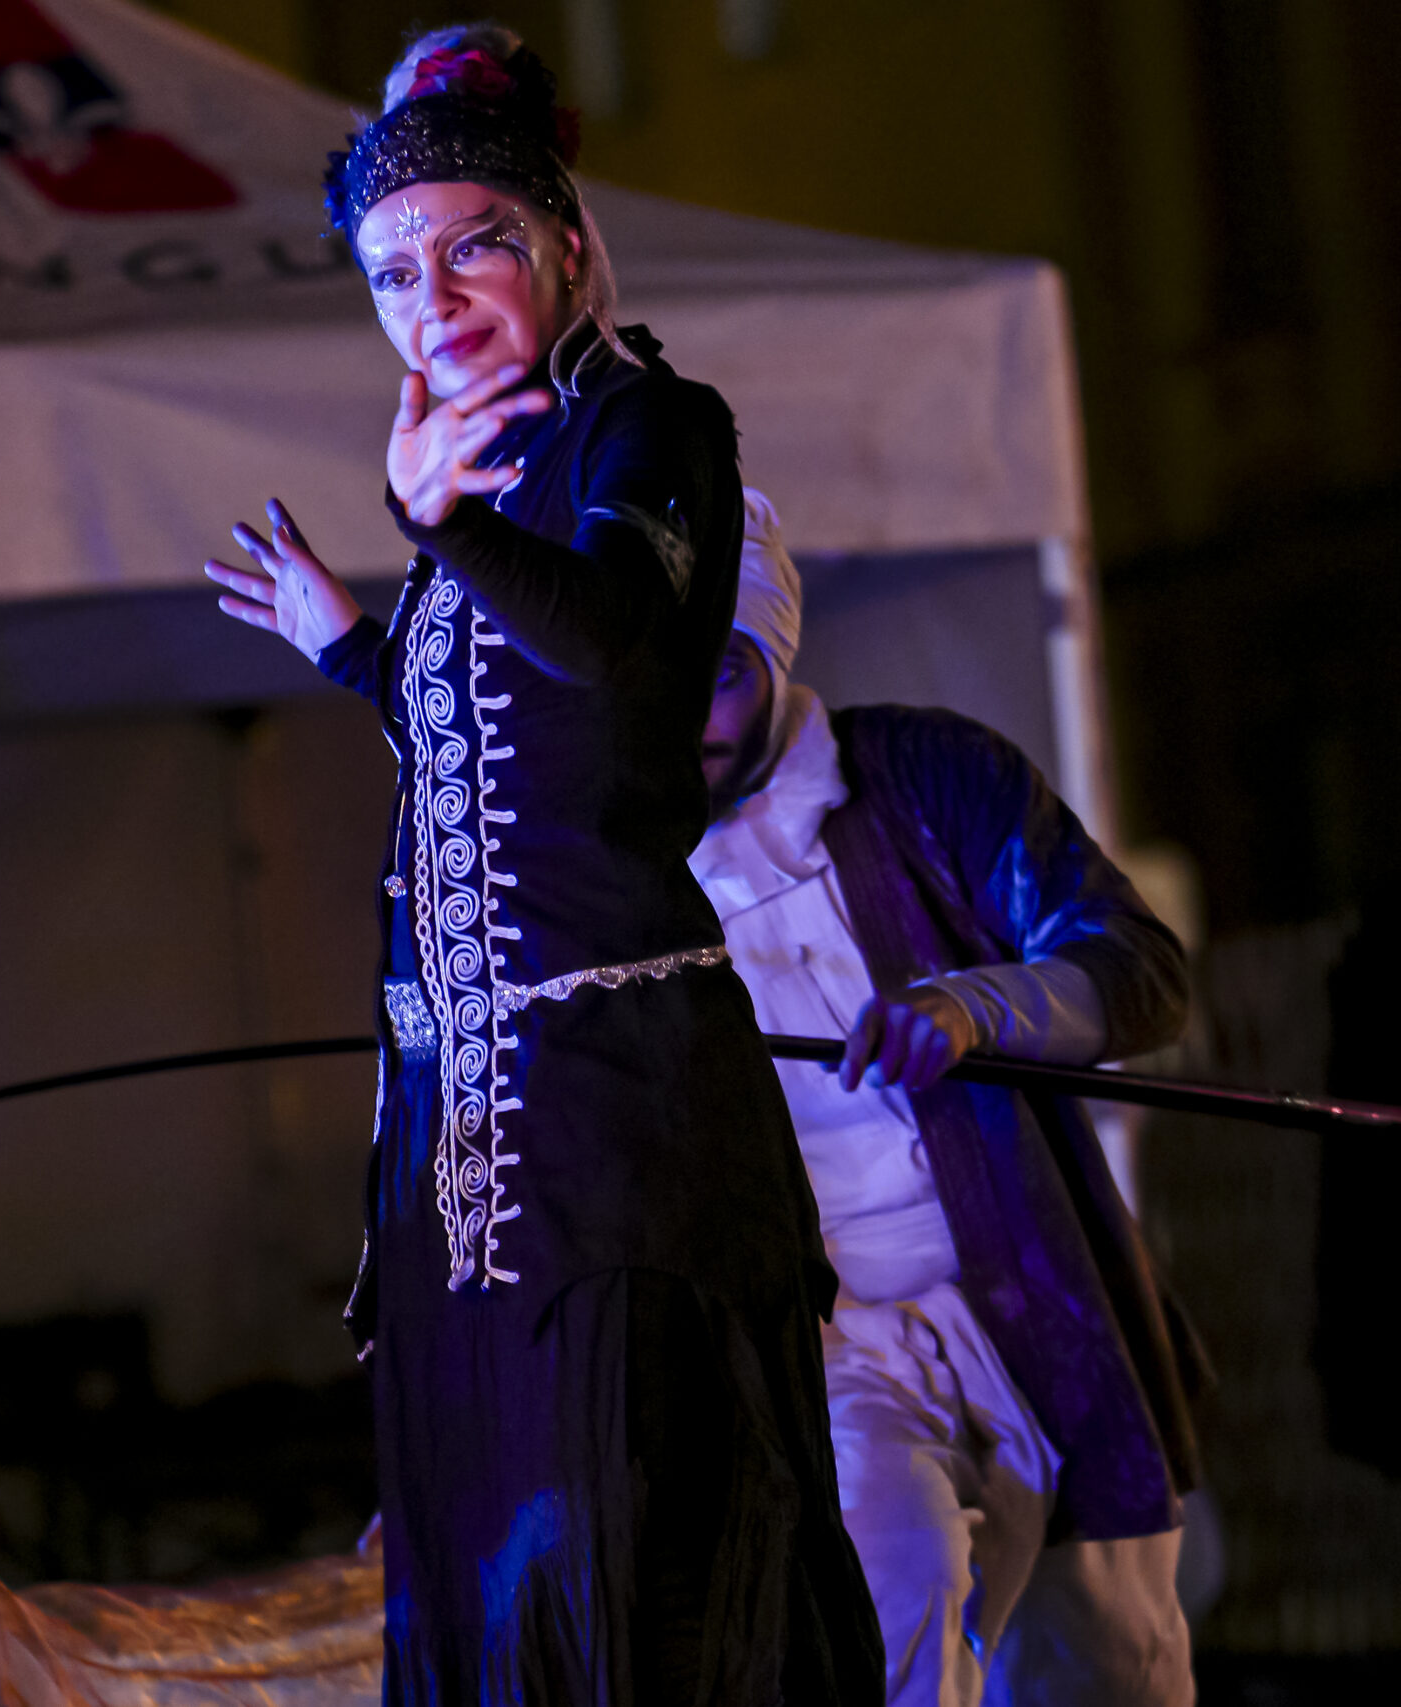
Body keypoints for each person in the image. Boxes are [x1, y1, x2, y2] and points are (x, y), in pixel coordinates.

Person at [204, 25, 881, 1706]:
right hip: (460, 1143)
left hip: (621, 1120)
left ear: (567, 244)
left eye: (474, 247)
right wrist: (356, 646)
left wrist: (445, 531)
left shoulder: (652, 427)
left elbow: (633, 670)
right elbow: (506, 745)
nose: (430, 300)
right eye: (391, 272)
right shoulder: (478, 480)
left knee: (646, 1574)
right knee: (504, 1577)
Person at [690, 491, 1206, 1706]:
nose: (683, 720)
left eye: (717, 674)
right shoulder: (620, 883)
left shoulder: (925, 774)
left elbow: (1140, 970)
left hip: (1033, 1303)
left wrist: (980, 1006)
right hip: (834, 1345)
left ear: (771, 653)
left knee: (1107, 1668)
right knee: (885, 1592)